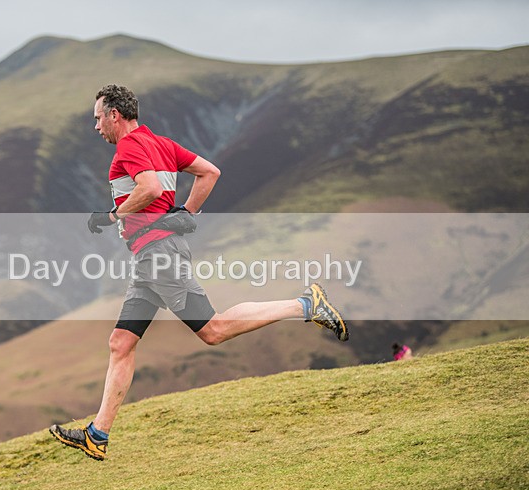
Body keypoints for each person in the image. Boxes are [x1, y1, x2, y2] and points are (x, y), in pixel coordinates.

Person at [50, 84, 349, 460]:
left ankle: (305, 305)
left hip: (159, 255)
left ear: (115, 115)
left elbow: (149, 187)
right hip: (151, 258)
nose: (96, 128)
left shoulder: (129, 147)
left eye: (97, 118)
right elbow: (209, 172)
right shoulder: (161, 144)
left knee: (213, 330)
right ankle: (98, 434)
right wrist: (185, 214)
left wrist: (112, 216)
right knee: (121, 343)